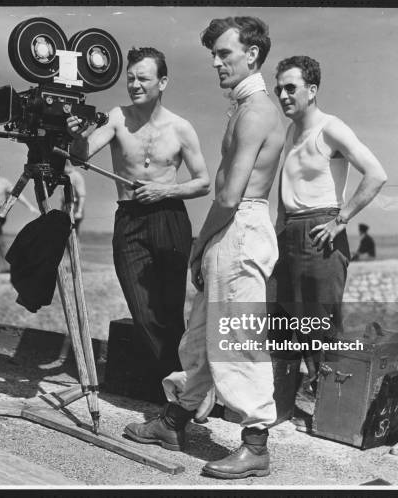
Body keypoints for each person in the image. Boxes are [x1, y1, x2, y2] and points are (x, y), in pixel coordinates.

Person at [123, 17, 285, 479]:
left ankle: (255, 446)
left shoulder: (256, 110)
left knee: (236, 338)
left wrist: (200, 246)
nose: (216, 62)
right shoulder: (243, 107)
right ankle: (174, 422)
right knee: (199, 336)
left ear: (252, 54)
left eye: (225, 54)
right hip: (230, 229)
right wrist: (207, 244)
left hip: (241, 224)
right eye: (213, 54)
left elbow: (230, 196)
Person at [66, 47, 210, 392]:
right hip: (129, 219)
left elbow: (203, 182)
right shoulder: (118, 117)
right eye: (130, 78)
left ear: (162, 82)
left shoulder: (181, 127)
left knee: (171, 310)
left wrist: (164, 191)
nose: (134, 84)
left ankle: (179, 394)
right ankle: (185, 384)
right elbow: (81, 158)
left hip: (169, 217)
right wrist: (75, 135)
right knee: (142, 309)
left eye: (142, 78)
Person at [272, 56, 387, 400]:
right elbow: (286, 190)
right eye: (278, 89)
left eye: (290, 88)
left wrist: (341, 220)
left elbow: (377, 174)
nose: (283, 95)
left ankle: (335, 408)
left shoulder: (331, 127)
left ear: (312, 89)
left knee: (321, 324)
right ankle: (287, 402)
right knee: (285, 320)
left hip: (320, 231)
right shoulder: (292, 131)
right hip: (289, 231)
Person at [59, 160, 86, 234]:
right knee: (64, 234)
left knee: (73, 234)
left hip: (74, 207)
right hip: (65, 206)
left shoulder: (76, 176)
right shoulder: (64, 176)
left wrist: (79, 211)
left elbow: (81, 195)